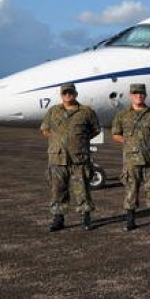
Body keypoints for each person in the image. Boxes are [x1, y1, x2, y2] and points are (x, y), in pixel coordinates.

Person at [40, 83, 101, 232]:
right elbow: (45, 130)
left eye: (70, 92)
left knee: (82, 190)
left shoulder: (86, 111)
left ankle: (85, 218)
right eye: (65, 93)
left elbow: (95, 130)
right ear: (61, 95)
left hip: (79, 158)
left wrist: (79, 141)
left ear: (76, 93)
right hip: (58, 158)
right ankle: (58, 219)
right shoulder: (53, 111)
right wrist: (59, 141)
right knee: (58, 190)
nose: (68, 95)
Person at [112, 83, 150, 231]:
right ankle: (130, 220)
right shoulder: (122, 115)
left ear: (145, 95)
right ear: (130, 96)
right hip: (131, 160)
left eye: (141, 94)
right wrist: (129, 142)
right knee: (131, 190)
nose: (138, 96)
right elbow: (116, 135)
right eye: (135, 94)